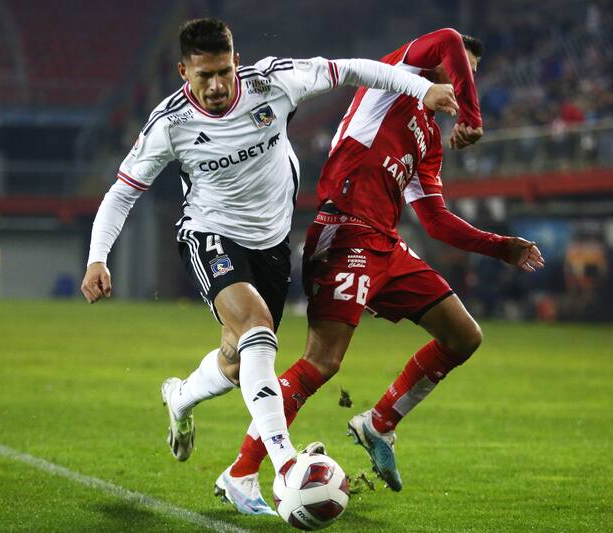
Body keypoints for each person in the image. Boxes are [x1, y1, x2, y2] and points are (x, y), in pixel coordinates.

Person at [80, 17, 460, 515]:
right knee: (258, 329)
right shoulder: (170, 124)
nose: (217, 86)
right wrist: (98, 257)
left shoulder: (272, 82)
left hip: (272, 246)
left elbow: (352, 69)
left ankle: (182, 398)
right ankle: (282, 467)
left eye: (223, 72)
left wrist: (421, 88)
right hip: (210, 234)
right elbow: (122, 192)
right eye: (204, 76)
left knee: (238, 361)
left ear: (236, 62)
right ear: (183, 73)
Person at [216, 28, 545, 511]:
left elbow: (434, 220)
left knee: (464, 336)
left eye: (471, 78)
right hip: (345, 231)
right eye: (463, 72)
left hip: (386, 245)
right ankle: (241, 472)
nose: (464, 83)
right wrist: (473, 117)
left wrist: (500, 247)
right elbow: (448, 39)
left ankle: (379, 423)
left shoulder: (428, 136)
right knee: (322, 363)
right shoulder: (395, 76)